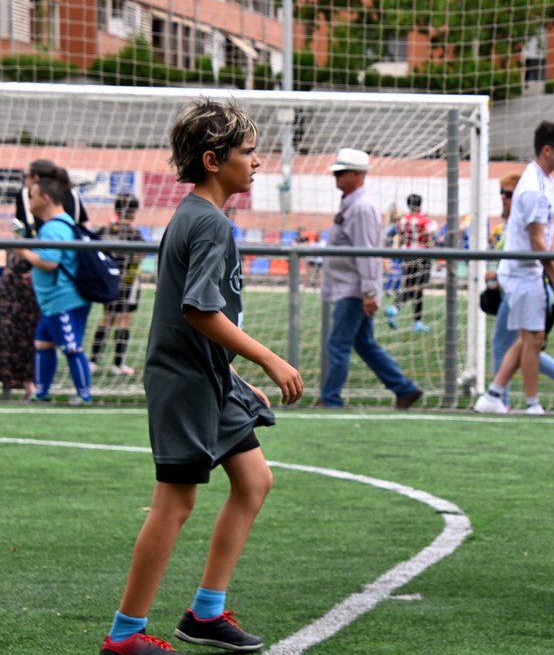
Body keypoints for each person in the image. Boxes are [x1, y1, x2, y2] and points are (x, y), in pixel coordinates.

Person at [98, 100, 304, 655]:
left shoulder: (200, 216)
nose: (257, 162)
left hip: (208, 378)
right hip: (184, 383)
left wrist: (232, 378)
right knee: (175, 503)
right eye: (247, 152)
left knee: (255, 481)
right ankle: (124, 636)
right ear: (214, 160)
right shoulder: (208, 222)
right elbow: (199, 311)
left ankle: (206, 614)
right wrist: (269, 359)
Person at [473, 121, 554, 415]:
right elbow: (536, 240)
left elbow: (542, 238)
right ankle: (533, 403)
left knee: (524, 340)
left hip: (524, 271)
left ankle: (494, 395)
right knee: (532, 340)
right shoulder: (534, 187)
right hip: (523, 273)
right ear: (547, 150)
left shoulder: (542, 181)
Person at [317, 148, 424, 410]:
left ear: (357, 175)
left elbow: (365, 253)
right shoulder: (353, 203)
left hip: (352, 290)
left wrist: (368, 292)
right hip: (351, 287)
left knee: (339, 344)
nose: (336, 178)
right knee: (363, 343)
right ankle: (404, 388)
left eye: (342, 173)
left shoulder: (362, 208)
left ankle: (331, 399)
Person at [12, 171, 94, 404]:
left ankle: (84, 395)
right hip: (52, 301)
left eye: (32, 196)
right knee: (43, 343)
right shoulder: (55, 225)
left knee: (71, 346)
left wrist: (22, 251)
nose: (29, 202)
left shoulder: (55, 228)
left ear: (45, 198)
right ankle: (43, 393)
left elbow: (50, 262)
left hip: (64, 300)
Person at [90, 193, 147, 376]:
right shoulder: (134, 234)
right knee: (123, 319)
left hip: (108, 280)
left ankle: (93, 361)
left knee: (106, 318)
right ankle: (118, 364)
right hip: (128, 280)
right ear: (132, 213)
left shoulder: (104, 230)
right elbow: (140, 256)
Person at [384, 192, 438, 332]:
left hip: (406, 255)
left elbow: (399, 236)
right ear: (420, 204)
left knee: (409, 286)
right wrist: (436, 255)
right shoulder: (426, 221)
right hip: (421, 255)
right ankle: (395, 308)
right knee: (417, 288)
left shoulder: (402, 220)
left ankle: (416, 322)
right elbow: (429, 238)